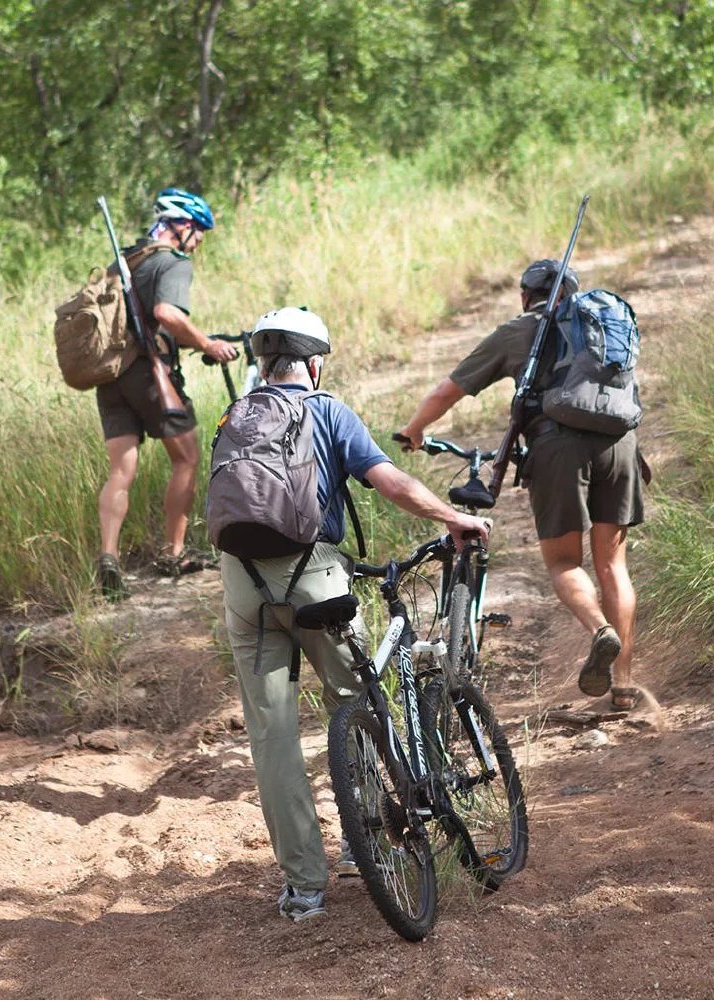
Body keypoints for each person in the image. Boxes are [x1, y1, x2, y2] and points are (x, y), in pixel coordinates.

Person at [219, 306, 489, 923]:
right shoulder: (327, 410)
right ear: (314, 363)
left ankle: (304, 889)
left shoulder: (236, 416)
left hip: (243, 586)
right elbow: (388, 482)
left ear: (263, 363)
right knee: (356, 701)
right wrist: (452, 518)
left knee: (272, 736)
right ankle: (364, 840)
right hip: (314, 577)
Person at [398, 260, 645, 711]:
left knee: (565, 563)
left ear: (525, 296)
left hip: (558, 448)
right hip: (623, 445)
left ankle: (599, 632)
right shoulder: (601, 330)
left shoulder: (520, 330)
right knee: (613, 565)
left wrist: (414, 431)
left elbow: (444, 393)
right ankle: (624, 688)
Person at [95, 187, 238, 600]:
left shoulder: (123, 261)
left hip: (111, 377)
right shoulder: (171, 263)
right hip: (150, 374)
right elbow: (166, 314)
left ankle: (109, 557)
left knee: (121, 471)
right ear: (183, 227)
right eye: (199, 234)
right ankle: (173, 553)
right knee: (188, 457)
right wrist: (207, 344)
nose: (198, 243)